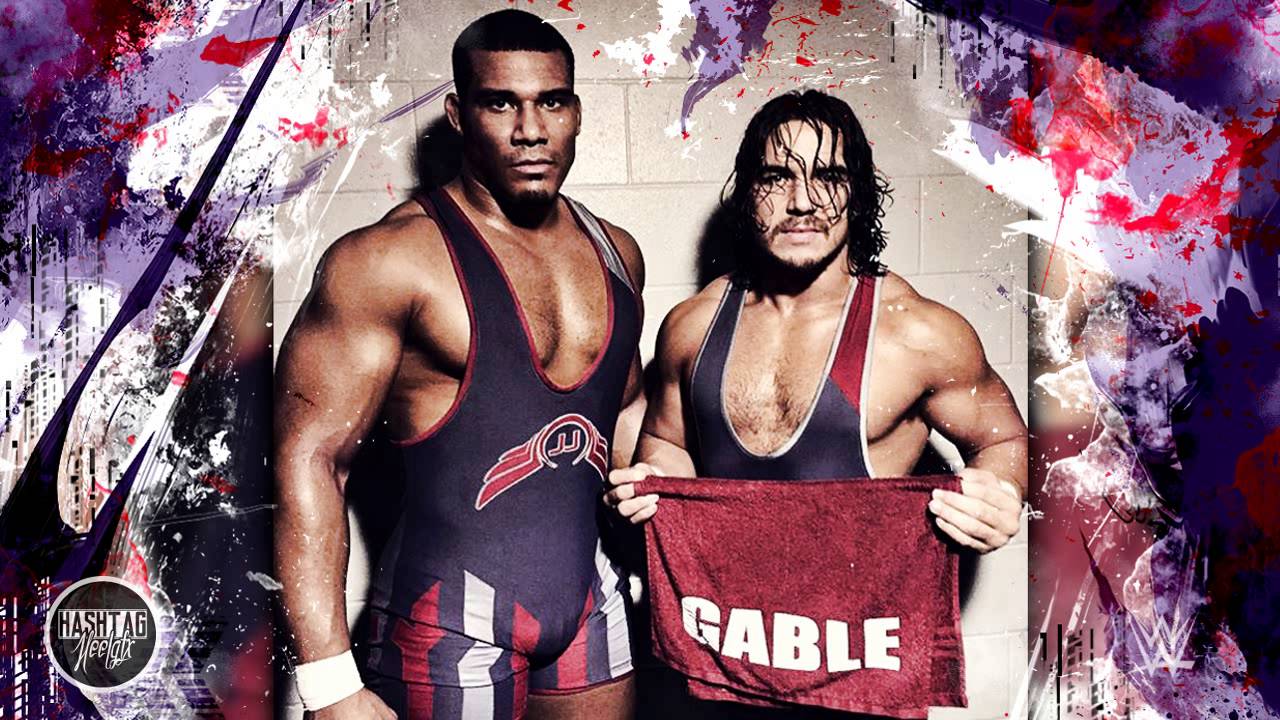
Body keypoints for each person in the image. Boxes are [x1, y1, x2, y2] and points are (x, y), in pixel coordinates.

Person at [605, 90, 1027, 716]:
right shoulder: (693, 325)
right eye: (777, 177)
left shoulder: (917, 333)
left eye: (828, 177)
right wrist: (652, 486)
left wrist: (999, 497)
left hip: (858, 676)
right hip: (725, 663)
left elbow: (1003, 439)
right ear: (747, 191)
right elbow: (669, 443)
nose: (802, 201)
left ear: (859, 192)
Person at [274, 10, 646, 720]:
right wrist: (327, 683)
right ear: (457, 115)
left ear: (575, 113)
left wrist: (656, 484)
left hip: (591, 604)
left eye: (552, 102)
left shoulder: (617, 252)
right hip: (446, 616)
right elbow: (311, 458)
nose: (530, 129)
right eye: (500, 103)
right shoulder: (387, 260)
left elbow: (622, 408)